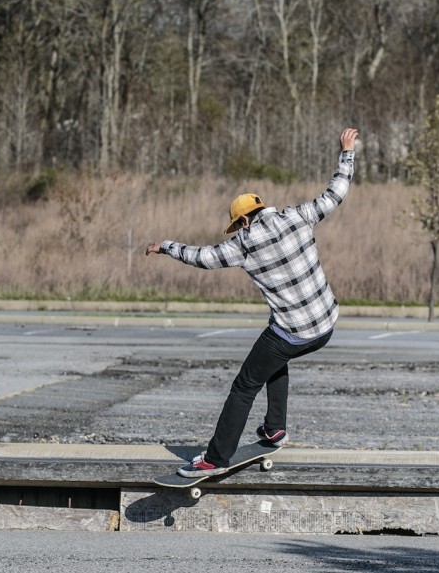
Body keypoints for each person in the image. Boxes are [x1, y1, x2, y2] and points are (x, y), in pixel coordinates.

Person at [146, 127, 359, 477]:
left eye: (238, 225)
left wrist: (165, 246)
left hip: (293, 332)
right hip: (326, 325)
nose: (239, 230)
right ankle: (275, 428)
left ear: (243, 220)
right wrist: (346, 152)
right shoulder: (298, 216)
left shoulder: (242, 245)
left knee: (245, 385)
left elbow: (201, 257)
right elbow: (336, 192)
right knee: (275, 352)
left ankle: (215, 458)